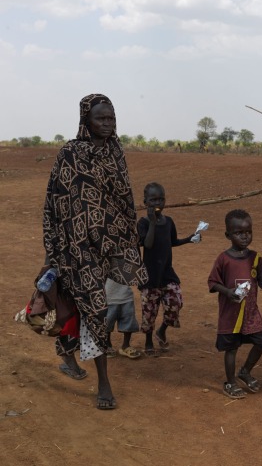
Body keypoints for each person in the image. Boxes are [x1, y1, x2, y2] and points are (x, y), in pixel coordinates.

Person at [43, 93, 148, 410]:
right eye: (101, 118)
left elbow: (124, 199)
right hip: (76, 247)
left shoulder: (116, 153)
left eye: (112, 118)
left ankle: (66, 353)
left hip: (110, 244)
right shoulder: (70, 154)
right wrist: (51, 253)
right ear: (86, 120)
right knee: (96, 308)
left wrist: (129, 238)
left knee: (81, 305)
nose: (107, 124)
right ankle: (104, 382)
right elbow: (54, 203)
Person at [208, 209, 262, 399]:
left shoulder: (255, 258)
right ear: (228, 235)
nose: (245, 236)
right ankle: (230, 382)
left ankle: (245, 371)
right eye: (239, 233)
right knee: (231, 348)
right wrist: (227, 292)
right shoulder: (223, 259)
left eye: (248, 232)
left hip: (250, 313)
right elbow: (213, 282)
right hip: (230, 314)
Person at [137, 182, 196, 356]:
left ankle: (161, 330)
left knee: (175, 303)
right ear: (145, 202)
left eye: (160, 199)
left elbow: (173, 242)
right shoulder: (143, 223)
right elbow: (146, 244)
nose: (157, 203)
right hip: (149, 276)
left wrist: (189, 239)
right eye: (153, 200)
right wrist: (153, 224)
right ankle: (148, 341)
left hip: (167, 273)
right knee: (149, 311)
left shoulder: (169, 221)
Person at [105, 278, 141, 359]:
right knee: (107, 322)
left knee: (128, 320)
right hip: (107, 295)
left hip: (126, 295)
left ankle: (126, 346)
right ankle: (107, 345)